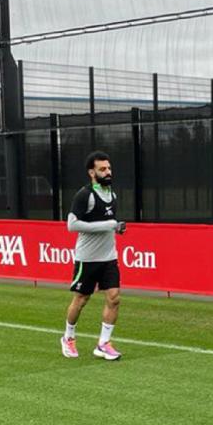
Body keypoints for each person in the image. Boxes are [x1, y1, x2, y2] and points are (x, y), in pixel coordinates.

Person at [60, 151, 126, 360]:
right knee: (81, 299)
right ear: (92, 172)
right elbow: (72, 225)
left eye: (109, 168)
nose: (108, 172)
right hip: (87, 258)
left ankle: (103, 343)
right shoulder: (85, 195)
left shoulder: (112, 195)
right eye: (102, 169)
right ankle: (68, 337)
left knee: (114, 298)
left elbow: (108, 224)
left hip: (109, 257)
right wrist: (108, 225)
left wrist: (116, 228)